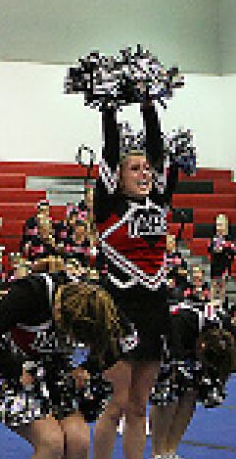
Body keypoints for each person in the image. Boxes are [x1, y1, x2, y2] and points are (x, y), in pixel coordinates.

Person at [92, 101, 185, 459]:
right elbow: (111, 147)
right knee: (115, 403)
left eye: (146, 168)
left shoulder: (159, 202)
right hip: (119, 309)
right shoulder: (108, 205)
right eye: (135, 168)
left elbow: (158, 151)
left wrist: (149, 105)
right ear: (117, 175)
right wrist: (109, 108)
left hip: (154, 310)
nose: (144, 173)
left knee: (138, 408)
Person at [0, 276, 129, 459]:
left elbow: (128, 340)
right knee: (51, 443)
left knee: (79, 441)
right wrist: (14, 369)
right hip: (6, 370)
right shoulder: (31, 293)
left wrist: (89, 368)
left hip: (53, 374)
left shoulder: (95, 299)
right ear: (58, 311)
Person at [149, 299, 236, 459]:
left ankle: (170, 450)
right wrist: (174, 372)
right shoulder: (180, 322)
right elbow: (171, 360)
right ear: (201, 345)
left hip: (196, 339)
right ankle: (158, 452)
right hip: (165, 336)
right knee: (169, 396)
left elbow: (224, 366)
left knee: (191, 394)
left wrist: (215, 384)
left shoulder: (226, 329)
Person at [208, 214, 234, 302]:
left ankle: (221, 303)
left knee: (222, 285)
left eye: (221, 225)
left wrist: (226, 248)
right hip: (215, 264)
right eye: (217, 225)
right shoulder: (214, 238)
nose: (219, 228)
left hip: (225, 265)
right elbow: (211, 249)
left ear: (226, 226)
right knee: (214, 284)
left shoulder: (229, 238)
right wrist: (215, 248)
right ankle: (211, 301)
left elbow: (232, 251)